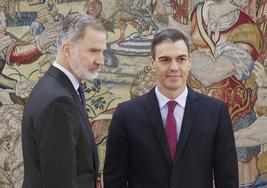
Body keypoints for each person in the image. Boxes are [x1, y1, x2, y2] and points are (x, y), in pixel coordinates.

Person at [104, 28, 238, 188]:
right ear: (152, 63)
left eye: (181, 59)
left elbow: (227, 178)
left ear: (189, 62)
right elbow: (114, 180)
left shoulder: (216, 112)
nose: (174, 67)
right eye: (165, 60)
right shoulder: (126, 114)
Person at [22, 12, 107, 188]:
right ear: (67, 50)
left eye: (102, 52)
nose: (101, 61)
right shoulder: (58, 101)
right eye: (93, 51)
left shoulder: (57, 88)